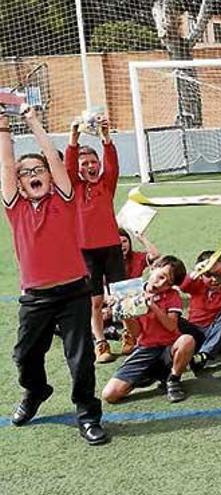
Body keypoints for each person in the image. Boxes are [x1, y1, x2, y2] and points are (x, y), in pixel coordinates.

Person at [1, 108, 107, 445]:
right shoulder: (15, 206)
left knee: (80, 359)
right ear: (18, 182)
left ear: (50, 175)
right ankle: (36, 391)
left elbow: (52, 157)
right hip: (36, 297)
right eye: (25, 172)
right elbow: (6, 165)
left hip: (74, 292)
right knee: (24, 355)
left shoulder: (63, 199)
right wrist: (3, 127)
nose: (32, 174)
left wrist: (32, 121)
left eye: (39, 170)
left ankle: (88, 415)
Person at [65, 114, 125, 364]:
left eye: (93, 161)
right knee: (95, 300)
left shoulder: (106, 184)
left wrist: (105, 137)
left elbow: (112, 164)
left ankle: (130, 335)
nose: (91, 166)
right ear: (78, 169)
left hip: (111, 247)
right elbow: (67, 165)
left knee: (123, 295)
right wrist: (74, 137)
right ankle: (100, 342)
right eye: (85, 163)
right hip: (85, 251)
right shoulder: (74, 187)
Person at [102, 256, 195, 404]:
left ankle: (173, 379)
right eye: (161, 276)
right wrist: (123, 313)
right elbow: (136, 333)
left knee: (187, 340)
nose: (161, 283)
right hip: (146, 348)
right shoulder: (132, 291)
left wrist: (153, 306)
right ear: (152, 269)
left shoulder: (172, 296)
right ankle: (147, 375)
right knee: (110, 395)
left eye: (167, 282)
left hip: (168, 347)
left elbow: (171, 326)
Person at [106, 228, 161, 355]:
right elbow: (101, 287)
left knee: (145, 313)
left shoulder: (137, 257)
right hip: (112, 301)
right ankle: (108, 332)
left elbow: (155, 255)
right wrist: (108, 299)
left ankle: (126, 334)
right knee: (101, 315)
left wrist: (142, 238)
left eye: (125, 241)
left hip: (134, 302)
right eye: (118, 243)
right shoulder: (108, 262)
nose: (122, 245)